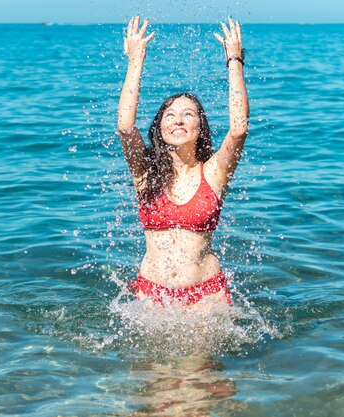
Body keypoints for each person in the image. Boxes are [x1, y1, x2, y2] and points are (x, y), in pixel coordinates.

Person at [118, 16, 249, 306]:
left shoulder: (213, 172)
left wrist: (235, 60)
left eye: (188, 114)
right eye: (170, 115)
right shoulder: (145, 173)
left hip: (206, 295)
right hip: (153, 292)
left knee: (200, 355)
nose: (178, 119)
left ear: (200, 128)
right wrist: (135, 60)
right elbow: (126, 127)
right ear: (159, 128)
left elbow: (239, 129)